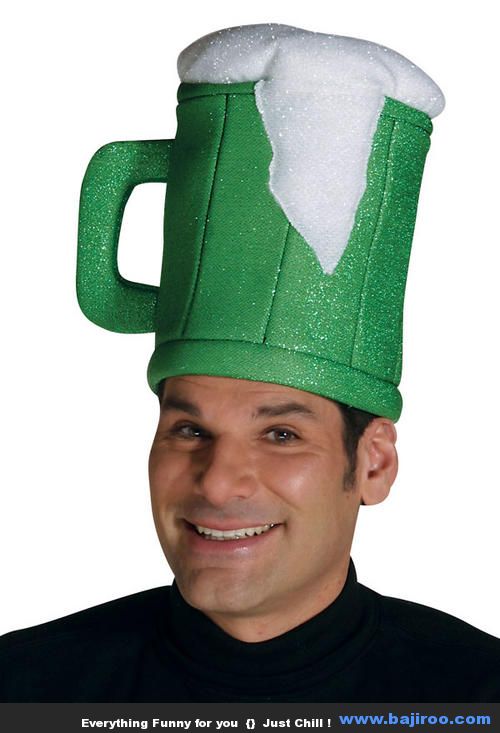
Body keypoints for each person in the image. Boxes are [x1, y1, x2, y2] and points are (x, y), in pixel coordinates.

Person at [1, 23, 500, 703]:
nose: (218, 482)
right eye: (189, 429)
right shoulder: (27, 689)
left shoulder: (476, 694)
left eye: (281, 433)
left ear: (373, 464)